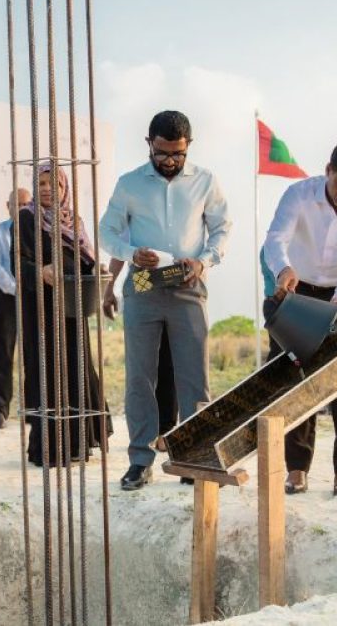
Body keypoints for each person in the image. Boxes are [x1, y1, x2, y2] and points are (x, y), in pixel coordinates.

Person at [100, 110, 231, 491]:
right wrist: (130, 251)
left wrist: (204, 260)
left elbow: (222, 229)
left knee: (195, 377)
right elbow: (107, 232)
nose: (170, 160)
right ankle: (140, 460)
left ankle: (194, 457)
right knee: (140, 377)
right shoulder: (128, 184)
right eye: (162, 153)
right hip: (142, 283)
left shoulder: (206, 181)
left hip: (189, 284)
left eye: (178, 153)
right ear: (149, 144)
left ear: (189, 146)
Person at [264, 140, 337, 497]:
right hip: (296, 289)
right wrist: (282, 269)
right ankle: (296, 468)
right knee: (293, 376)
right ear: (328, 169)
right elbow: (276, 238)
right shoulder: (297, 194)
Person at [17, 166, 106, 466]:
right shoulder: (26, 219)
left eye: (52, 183)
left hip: (71, 306)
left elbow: (85, 259)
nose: (45, 189)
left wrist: (96, 270)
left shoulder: (74, 220)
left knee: (75, 367)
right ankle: (49, 448)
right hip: (40, 307)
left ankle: (78, 444)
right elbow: (17, 261)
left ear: (63, 188)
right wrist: (40, 272)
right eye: (40, 183)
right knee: (47, 368)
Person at [104, 258, 179, 448]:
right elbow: (120, 250)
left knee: (169, 357)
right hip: (144, 276)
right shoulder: (132, 227)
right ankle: (146, 434)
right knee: (141, 366)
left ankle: (165, 429)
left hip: (176, 275)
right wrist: (109, 288)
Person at [0, 187, 31, 429]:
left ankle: (35, 409)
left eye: (26, 204)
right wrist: (16, 288)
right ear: (8, 206)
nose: (22, 208)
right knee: (1, 353)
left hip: (34, 299)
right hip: (6, 297)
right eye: (17, 204)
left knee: (35, 353)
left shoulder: (38, 232)